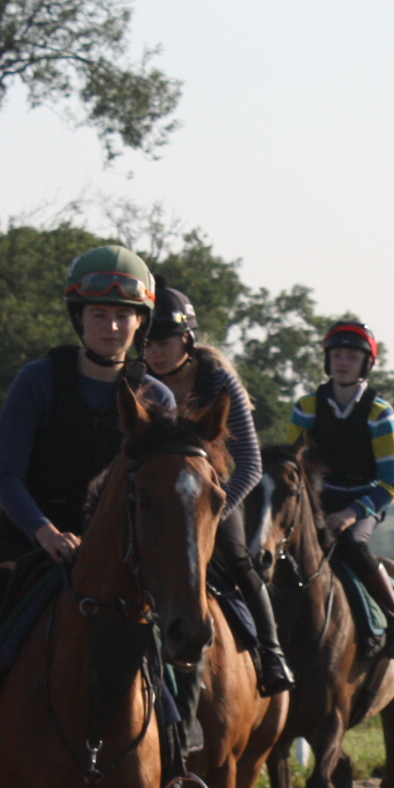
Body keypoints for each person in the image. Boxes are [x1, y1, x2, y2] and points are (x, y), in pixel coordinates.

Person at [0, 244, 205, 788]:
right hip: (31, 536)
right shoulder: (37, 381)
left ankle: (173, 775)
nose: (112, 325)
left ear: (140, 323)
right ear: (79, 318)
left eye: (124, 316)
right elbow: (7, 476)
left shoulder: (158, 399)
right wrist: (43, 531)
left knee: (181, 642)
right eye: (99, 314)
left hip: (122, 555)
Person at [141, 288, 295, 697]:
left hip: (216, 495)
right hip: (157, 498)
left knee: (239, 561)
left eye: (163, 343)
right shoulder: (136, 380)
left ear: (187, 340)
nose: (154, 353)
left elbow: (250, 464)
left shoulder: (218, 379)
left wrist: (213, 515)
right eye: (148, 344)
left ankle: (271, 651)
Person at [292, 318, 394, 662]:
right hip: (318, 500)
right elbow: (290, 466)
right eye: (337, 356)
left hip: (364, 500)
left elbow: (392, 483)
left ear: (366, 364)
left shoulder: (380, 414)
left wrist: (350, 513)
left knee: (351, 543)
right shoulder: (307, 407)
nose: (343, 363)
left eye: (351, 356)